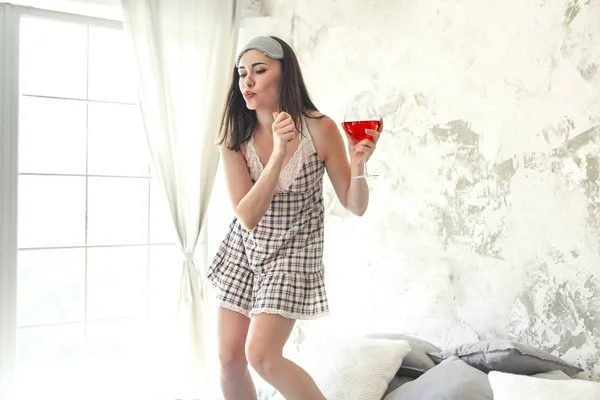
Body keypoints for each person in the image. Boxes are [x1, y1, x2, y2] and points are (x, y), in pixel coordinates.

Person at [207, 35, 382, 400]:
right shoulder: (234, 136)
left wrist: (359, 164)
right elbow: (247, 215)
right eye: (241, 74)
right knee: (229, 360)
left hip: (293, 252)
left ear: (285, 74)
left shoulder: (320, 128)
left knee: (262, 355)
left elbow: (356, 205)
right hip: (244, 249)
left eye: (259, 70)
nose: (247, 82)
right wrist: (278, 154)